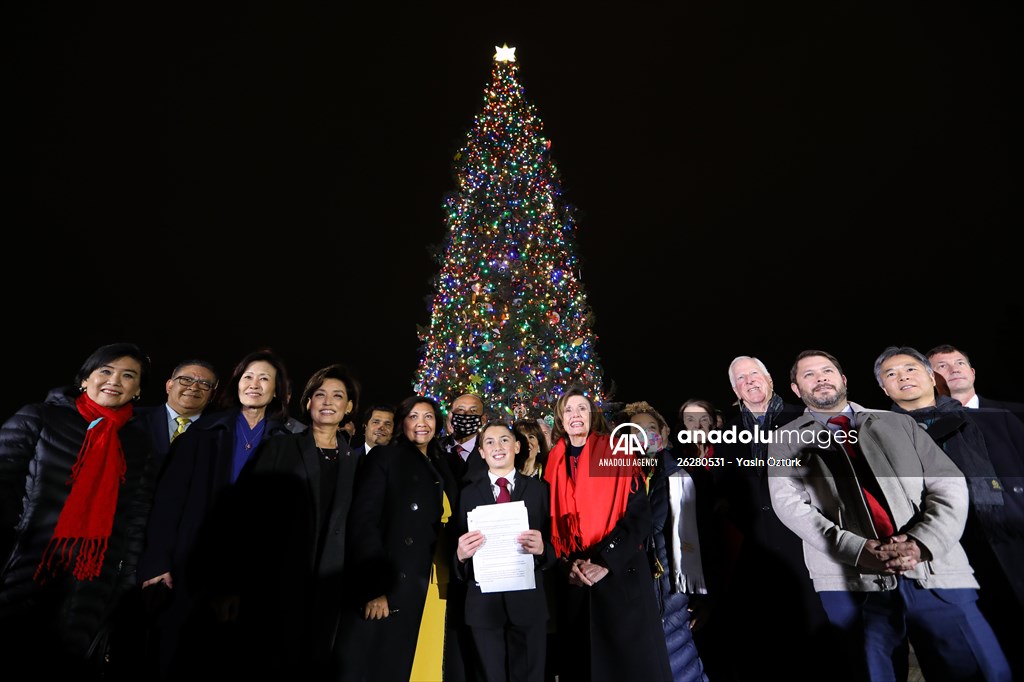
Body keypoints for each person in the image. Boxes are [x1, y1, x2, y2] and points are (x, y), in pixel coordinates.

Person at [768, 349, 1010, 681]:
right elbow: (789, 504)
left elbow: (947, 483)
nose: (820, 377)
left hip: (934, 568)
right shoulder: (783, 441)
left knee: (978, 670)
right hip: (849, 581)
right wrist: (857, 549)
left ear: (843, 380)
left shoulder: (900, 423)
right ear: (796, 390)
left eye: (827, 370)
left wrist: (922, 542)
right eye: (808, 375)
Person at [0, 342, 157, 679]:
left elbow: (135, 519)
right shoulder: (40, 417)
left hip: (92, 580)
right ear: (85, 379)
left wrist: (125, 584)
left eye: (128, 375)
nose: (115, 380)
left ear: (138, 389)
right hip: (25, 566)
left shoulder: (139, 444)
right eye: (105, 370)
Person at [137, 347, 293, 680]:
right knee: (177, 656)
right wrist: (158, 563)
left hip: (250, 568)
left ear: (277, 389)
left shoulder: (286, 441)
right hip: (191, 560)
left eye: (265, 378)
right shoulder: (203, 432)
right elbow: (168, 502)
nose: (254, 384)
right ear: (236, 384)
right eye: (248, 377)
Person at [875, 345, 1024, 679]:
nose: (903, 377)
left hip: (1005, 540)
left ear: (930, 376)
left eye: (911, 369)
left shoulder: (985, 418)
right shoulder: (877, 435)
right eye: (892, 374)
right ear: (884, 388)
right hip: (939, 553)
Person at [214, 363, 361, 678]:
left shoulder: (357, 461)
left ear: (348, 407)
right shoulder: (280, 447)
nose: (328, 402)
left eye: (338, 396)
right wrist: (232, 583)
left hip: (329, 588)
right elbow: (246, 517)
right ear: (308, 403)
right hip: (274, 583)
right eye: (320, 395)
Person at [713, 355, 833, 681]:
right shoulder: (728, 432)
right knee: (771, 632)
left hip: (805, 537)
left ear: (769, 379)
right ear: (735, 390)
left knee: (816, 625)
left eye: (754, 374)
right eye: (741, 379)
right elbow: (725, 487)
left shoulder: (803, 418)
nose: (749, 381)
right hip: (756, 543)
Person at [543, 385, 674, 682]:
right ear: (560, 419)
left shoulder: (616, 451)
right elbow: (549, 524)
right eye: (568, 409)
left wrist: (603, 561)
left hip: (619, 575)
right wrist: (567, 566)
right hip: (577, 581)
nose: (575, 415)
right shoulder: (553, 462)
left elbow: (639, 518)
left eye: (582, 409)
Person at [337, 396, 457, 682]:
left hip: (435, 581)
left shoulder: (441, 465)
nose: (421, 423)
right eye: (414, 416)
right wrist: (374, 586)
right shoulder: (385, 457)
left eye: (428, 417)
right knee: (381, 665)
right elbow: (364, 522)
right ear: (402, 422)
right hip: (393, 582)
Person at [454, 422, 556, 682]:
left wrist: (544, 549)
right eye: (489, 442)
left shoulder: (540, 490)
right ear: (481, 452)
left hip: (527, 605)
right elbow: (454, 551)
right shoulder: (466, 494)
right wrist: (460, 555)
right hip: (483, 607)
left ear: (517, 446)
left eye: (504, 440)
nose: (497, 447)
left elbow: (556, 547)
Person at [620, 400, 710, 682]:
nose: (644, 436)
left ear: (665, 433)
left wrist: (696, 597)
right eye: (636, 431)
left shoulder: (678, 477)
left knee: (679, 665)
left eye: (650, 429)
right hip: (632, 590)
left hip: (670, 592)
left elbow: (691, 542)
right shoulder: (619, 481)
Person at [135, 358, 218, 464]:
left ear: (212, 395)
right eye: (186, 380)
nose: (194, 387)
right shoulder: (133, 419)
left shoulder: (220, 432)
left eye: (204, 384)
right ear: (169, 386)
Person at [926, 344, 1024, 419]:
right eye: (942, 366)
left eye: (960, 363)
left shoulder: (1017, 413)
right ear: (931, 378)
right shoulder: (922, 422)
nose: (955, 369)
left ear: (972, 372)